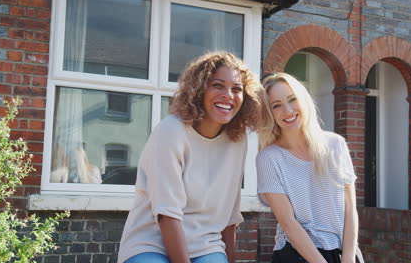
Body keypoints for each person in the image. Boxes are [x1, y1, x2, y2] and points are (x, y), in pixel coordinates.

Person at [118, 52, 262, 263]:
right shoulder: (171, 131)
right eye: (218, 85)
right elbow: (167, 215)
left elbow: (229, 214)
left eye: (237, 89)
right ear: (199, 89)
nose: (228, 95)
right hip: (151, 242)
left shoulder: (237, 140)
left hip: (206, 245)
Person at [256, 73, 359, 263]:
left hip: (343, 253)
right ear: (269, 113)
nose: (287, 110)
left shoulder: (336, 145)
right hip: (298, 254)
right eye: (276, 105)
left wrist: (349, 257)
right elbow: (288, 222)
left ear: (303, 100)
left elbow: (350, 208)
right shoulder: (269, 158)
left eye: (292, 99)